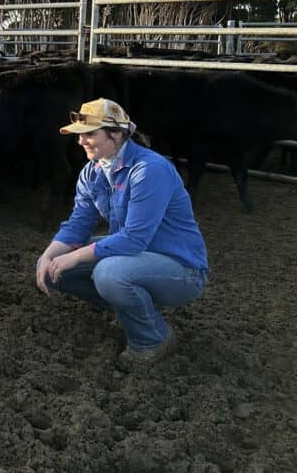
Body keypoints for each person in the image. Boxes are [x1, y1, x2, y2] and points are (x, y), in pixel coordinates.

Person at [35, 98, 209, 368]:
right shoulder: (92, 172)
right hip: (136, 255)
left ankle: (153, 339)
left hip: (180, 267)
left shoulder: (149, 170)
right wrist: (49, 255)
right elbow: (79, 222)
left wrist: (76, 256)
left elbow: (134, 238)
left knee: (110, 273)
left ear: (116, 134)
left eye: (90, 134)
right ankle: (132, 305)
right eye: (80, 135)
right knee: (52, 267)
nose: (81, 142)